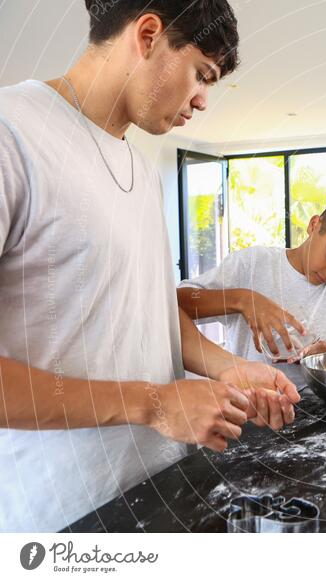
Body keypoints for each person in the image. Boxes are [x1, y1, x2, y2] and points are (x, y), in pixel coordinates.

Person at [0, 0, 299, 533]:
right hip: (62, 517)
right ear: (147, 34)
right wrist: (155, 403)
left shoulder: (140, 167)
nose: (204, 100)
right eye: (202, 75)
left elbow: (150, 312)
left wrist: (226, 367)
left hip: (161, 483)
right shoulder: (13, 135)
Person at [178, 191, 326, 361]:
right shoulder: (252, 263)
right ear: (314, 225)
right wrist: (241, 300)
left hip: (319, 405)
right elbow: (175, 303)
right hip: (248, 404)